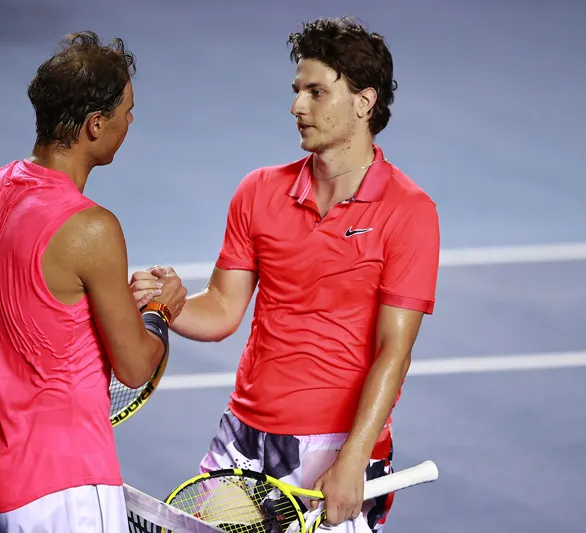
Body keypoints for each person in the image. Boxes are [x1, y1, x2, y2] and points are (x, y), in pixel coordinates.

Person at [136, 16, 440, 531]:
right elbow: (225, 308)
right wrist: (173, 302)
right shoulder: (258, 191)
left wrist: (352, 459)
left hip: (335, 447)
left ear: (363, 103)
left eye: (316, 92)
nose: (297, 106)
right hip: (245, 433)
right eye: (297, 90)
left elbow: (395, 350)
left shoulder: (409, 212)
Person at [0, 31, 187, 533]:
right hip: (67, 492)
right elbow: (135, 364)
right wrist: (159, 311)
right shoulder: (91, 228)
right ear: (96, 126)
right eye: (127, 110)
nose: (131, 121)